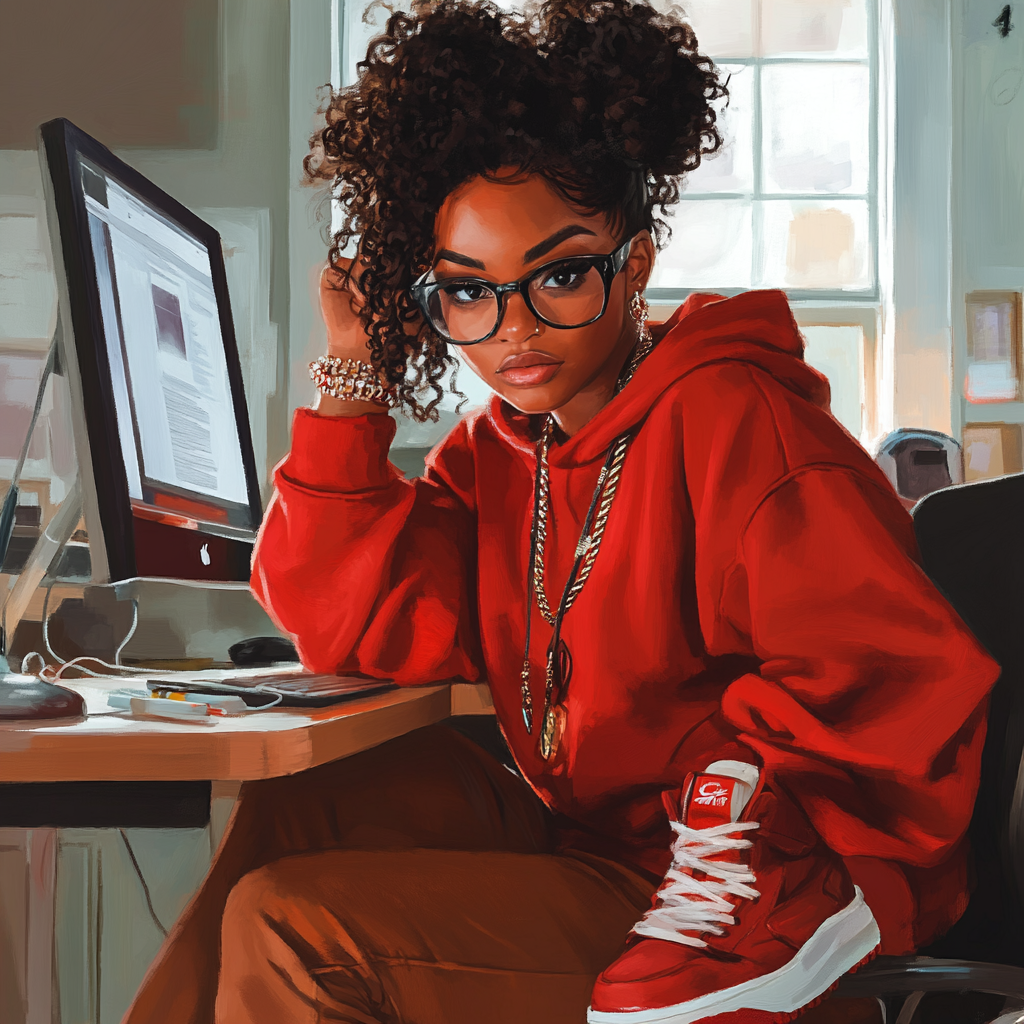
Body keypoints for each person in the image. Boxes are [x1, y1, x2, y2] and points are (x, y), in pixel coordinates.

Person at [124, 1, 1000, 1022]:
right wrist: (351, 372)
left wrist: (758, 831)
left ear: (631, 267)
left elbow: (895, 680)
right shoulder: (505, 452)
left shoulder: (737, 422)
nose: (514, 332)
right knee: (305, 802)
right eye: (468, 293)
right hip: (595, 852)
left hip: (731, 926)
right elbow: (349, 620)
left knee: (294, 929)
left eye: (561, 277)